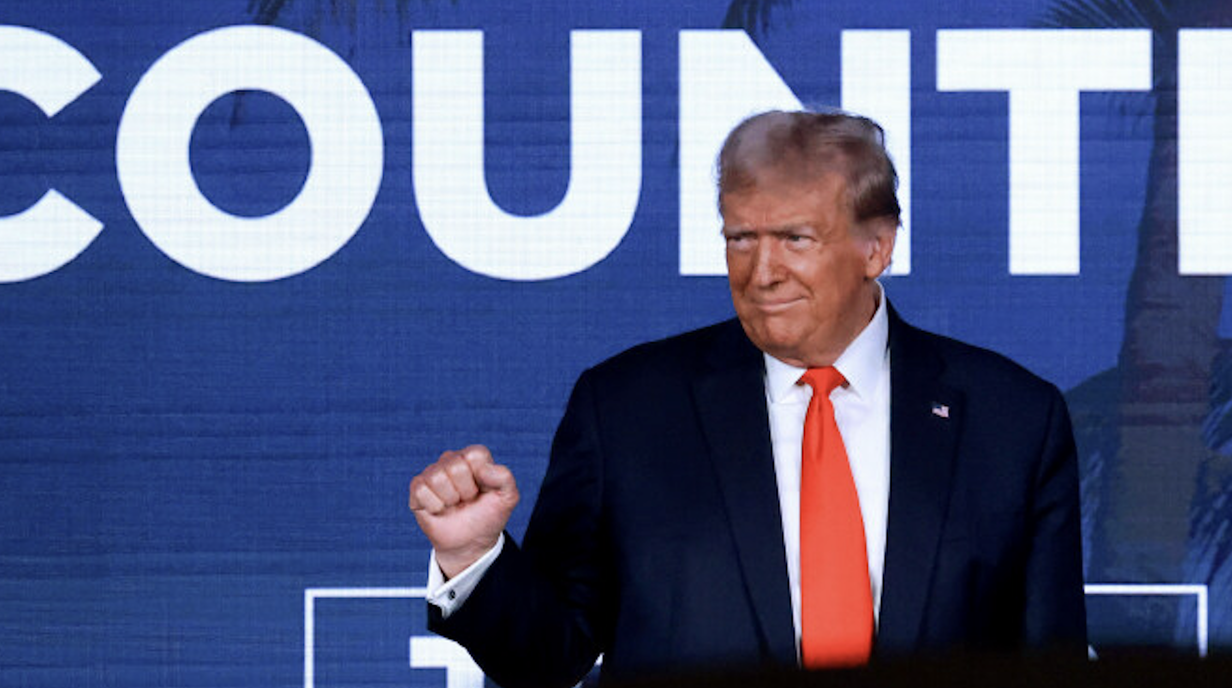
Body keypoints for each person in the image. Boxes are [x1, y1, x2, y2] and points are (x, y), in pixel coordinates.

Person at [409, 110, 1085, 686]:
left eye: (795, 238)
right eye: (741, 239)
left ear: (876, 247)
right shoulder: (626, 412)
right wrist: (475, 559)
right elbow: (547, 658)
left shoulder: (1013, 421)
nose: (762, 273)